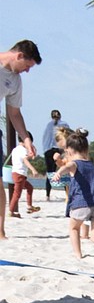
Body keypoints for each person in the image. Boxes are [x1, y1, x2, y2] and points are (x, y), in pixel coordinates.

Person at [0, 39, 41, 240]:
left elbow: (14, 113)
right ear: (18, 56)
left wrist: (26, 139)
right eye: (27, 66)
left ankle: (0, 230)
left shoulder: (15, 81)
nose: (27, 71)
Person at [52, 128, 94, 262]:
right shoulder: (92, 165)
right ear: (86, 150)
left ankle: (78, 254)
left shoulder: (74, 163)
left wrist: (58, 173)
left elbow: (66, 167)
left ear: (68, 150)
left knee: (74, 228)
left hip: (81, 203)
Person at [7, 135, 41, 217]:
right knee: (17, 193)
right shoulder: (23, 150)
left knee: (29, 187)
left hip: (15, 173)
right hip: (20, 173)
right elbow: (25, 160)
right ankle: (11, 211)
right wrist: (33, 169)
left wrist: (32, 150)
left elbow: (30, 157)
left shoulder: (15, 149)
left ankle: (29, 206)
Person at [42, 109, 69, 200]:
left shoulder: (48, 125)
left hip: (49, 149)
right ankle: (67, 194)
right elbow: (68, 136)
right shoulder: (64, 124)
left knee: (50, 172)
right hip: (60, 149)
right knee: (65, 170)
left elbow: (45, 139)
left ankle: (47, 195)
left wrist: (46, 150)